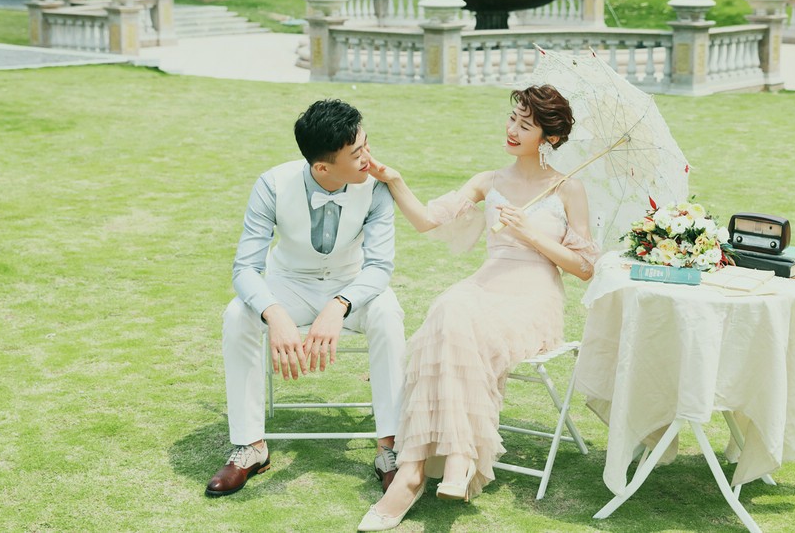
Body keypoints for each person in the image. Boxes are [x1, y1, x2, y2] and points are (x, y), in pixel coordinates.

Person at [357, 85, 599, 532]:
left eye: (525, 125)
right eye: (512, 119)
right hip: (486, 285)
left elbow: (584, 268)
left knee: (458, 319)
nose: (512, 130)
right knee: (450, 307)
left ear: (549, 137)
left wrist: (530, 234)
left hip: (533, 297)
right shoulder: (489, 182)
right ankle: (424, 469)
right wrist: (393, 179)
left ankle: (436, 465)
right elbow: (428, 221)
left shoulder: (569, 188)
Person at [207, 99, 406, 497]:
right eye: (357, 154)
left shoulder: (377, 187)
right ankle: (250, 446)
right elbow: (245, 268)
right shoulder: (272, 184)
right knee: (237, 314)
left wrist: (340, 304)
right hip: (289, 284)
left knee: (387, 312)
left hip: (352, 284)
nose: (368, 158)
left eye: (366, 144)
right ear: (322, 168)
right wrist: (274, 313)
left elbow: (380, 267)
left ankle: (390, 447)